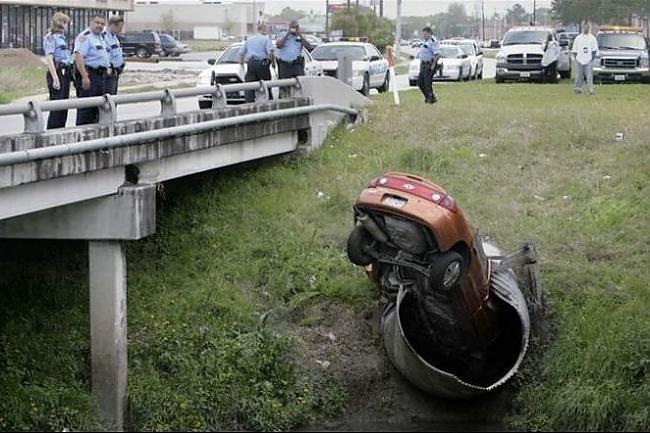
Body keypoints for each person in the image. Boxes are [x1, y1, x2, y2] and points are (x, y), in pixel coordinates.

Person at [74, 14, 112, 125]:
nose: (99, 26)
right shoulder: (85, 37)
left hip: (101, 77)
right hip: (90, 75)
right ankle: (83, 136)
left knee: (98, 109)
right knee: (86, 110)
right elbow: (79, 56)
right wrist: (85, 77)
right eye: (97, 23)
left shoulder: (101, 38)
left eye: (102, 24)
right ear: (90, 23)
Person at [43, 12, 73, 129]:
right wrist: (55, 77)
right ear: (59, 23)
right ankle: (53, 132)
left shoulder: (62, 38)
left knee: (63, 107)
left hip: (66, 72)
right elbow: (49, 58)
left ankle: (60, 130)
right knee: (57, 106)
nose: (67, 25)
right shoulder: (51, 37)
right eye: (65, 22)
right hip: (58, 72)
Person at [239, 23, 274, 103]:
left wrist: (241, 63)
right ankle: (269, 102)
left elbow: (241, 53)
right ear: (263, 29)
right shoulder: (266, 39)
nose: (267, 31)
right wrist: (272, 63)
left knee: (249, 85)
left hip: (251, 63)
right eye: (266, 29)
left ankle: (249, 104)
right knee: (266, 85)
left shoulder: (250, 39)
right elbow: (270, 53)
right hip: (262, 64)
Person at [572, 21, 598, 95]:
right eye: (585, 27)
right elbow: (574, 50)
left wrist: (591, 59)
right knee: (578, 76)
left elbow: (594, 50)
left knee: (589, 76)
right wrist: (576, 59)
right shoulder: (578, 38)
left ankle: (590, 90)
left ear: (589, 28)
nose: (586, 28)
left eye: (588, 27)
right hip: (579, 60)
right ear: (582, 27)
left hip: (588, 60)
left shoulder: (592, 38)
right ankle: (577, 89)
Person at [416, 27, 441, 104]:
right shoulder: (425, 41)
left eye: (425, 34)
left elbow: (438, 54)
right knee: (420, 82)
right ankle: (429, 97)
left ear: (430, 33)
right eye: (423, 34)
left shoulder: (433, 41)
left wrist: (433, 64)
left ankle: (430, 99)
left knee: (427, 83)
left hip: (429, 65)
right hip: (423, 64)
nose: (424, 36)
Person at [103, 15, 125, 95]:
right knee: (109, 99)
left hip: (116, 73)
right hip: (109, 73)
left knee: (114, 99)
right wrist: (109, 68)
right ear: (112, 25)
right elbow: (105, 55)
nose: (121, 30)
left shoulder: (114, 37)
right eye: (119, 27)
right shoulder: (104, 37)